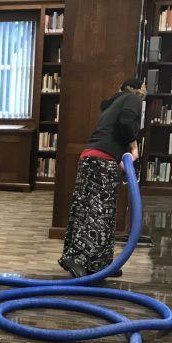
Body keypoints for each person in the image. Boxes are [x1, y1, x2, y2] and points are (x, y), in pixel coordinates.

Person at [59, 77, 145, 279]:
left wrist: (123, 161)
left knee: (93, 211)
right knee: (98, 213)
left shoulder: (113, 103)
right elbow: (126, 124)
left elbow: (112, 134)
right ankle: (76, 259)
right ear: (140, 89)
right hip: (102, 160)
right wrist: (133, 145)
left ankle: (99, 264)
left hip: (92, 158)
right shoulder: (133, 99)